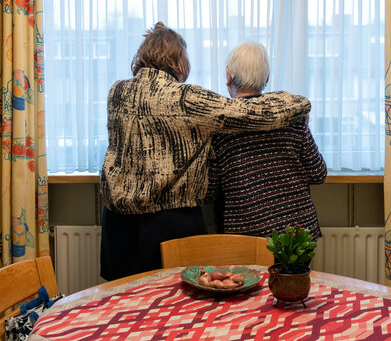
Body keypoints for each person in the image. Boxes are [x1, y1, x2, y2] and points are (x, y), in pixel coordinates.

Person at [100, 23, 311, 281]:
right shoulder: (186, 99)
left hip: (118, 224)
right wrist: (300, 104)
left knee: (125, 303)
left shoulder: (116, 92)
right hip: (169, 222)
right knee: (176, 308)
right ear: (179, 61)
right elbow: (248, 111)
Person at [206, 42, 327, 240]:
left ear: (228, 76)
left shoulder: (220, 128)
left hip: (246, 235)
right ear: (267, 78)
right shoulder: (292, 116)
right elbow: (318, 173)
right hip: (295, 235)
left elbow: (210, 190)